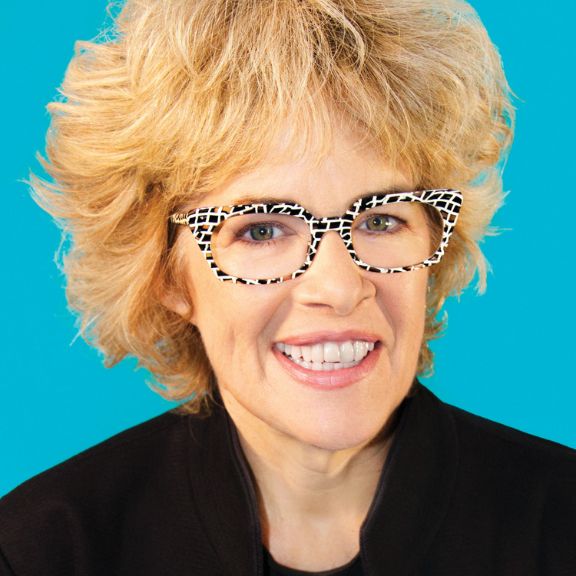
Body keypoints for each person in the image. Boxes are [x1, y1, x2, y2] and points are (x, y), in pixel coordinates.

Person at [1, 0, 575, 575]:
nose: (339, 287)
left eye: (380, 220)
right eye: (262, 230)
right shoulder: (44, 552)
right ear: (169, 276)